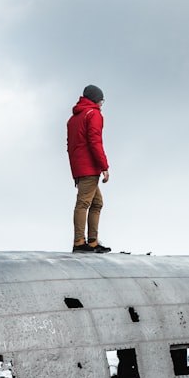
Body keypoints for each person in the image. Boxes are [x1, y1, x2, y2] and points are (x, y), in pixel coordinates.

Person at [67, 84, 111, 253]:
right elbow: (95, 142)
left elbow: (71, 145)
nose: (101, 104)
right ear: (95, 99)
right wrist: (104, 166)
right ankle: (79, 241)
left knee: (97, 203)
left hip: (79, 166)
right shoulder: (93, 115)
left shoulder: (73, 119)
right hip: (90, 166)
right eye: (101, 100)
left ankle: (92, 241)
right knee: (83, 203)